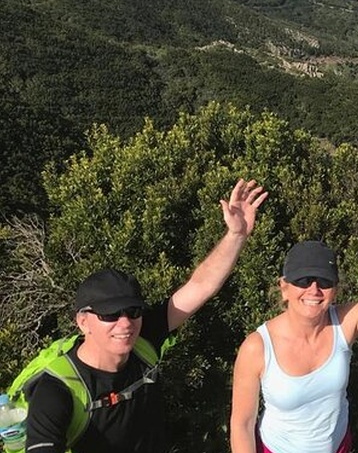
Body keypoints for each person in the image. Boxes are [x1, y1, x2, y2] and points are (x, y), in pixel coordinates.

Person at [25, 178, 268, 453]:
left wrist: (236, 236)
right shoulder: (56, 390)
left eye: (133, 311)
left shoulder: (143, 341)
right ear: (83, 322)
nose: (125, 323)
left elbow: (200, 286)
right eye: (110, 315)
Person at [229, 208, 358, 453]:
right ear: (284, 288)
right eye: (303, 281)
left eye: (324, 282)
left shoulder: (347, 320)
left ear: (335, 289)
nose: (314, 290)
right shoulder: (258, 347)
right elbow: (242, 423)